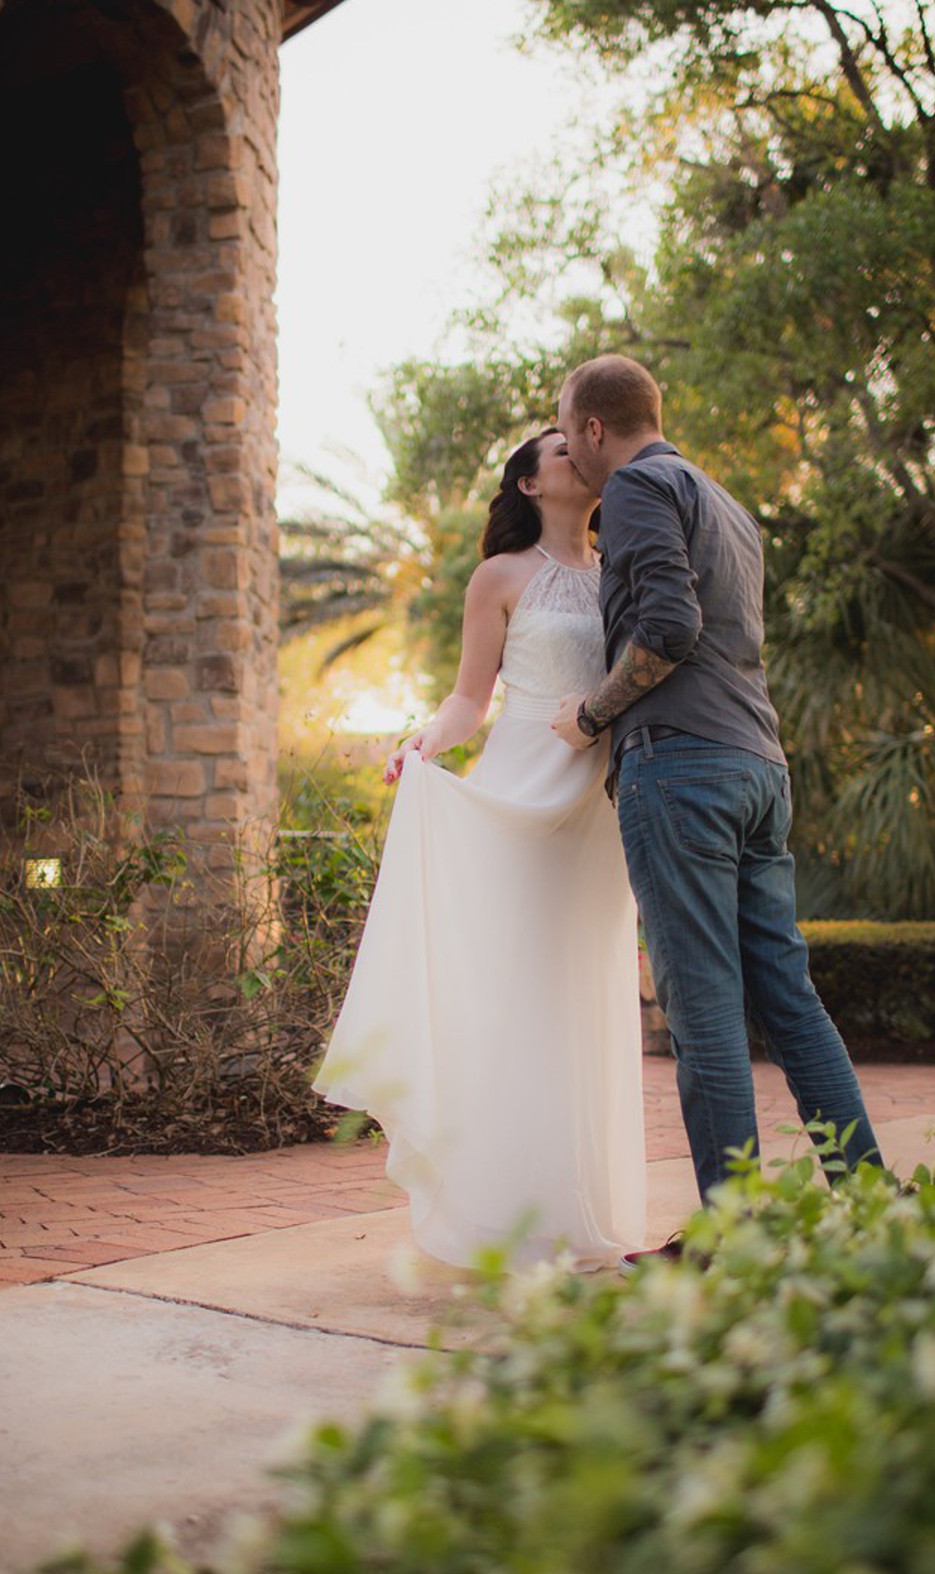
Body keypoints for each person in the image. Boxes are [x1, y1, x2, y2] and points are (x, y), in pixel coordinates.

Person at [551, 355, 881, 1224]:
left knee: (702, 1018)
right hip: (759, 768)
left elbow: (669, 626)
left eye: (568, 434)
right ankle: (873, 1205)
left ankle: (737, 1242)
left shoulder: (632, 488)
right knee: (789, 998)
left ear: (594, 429)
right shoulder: (726, 503)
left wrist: (591, 714)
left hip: (682, 769)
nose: (571, 458)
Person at [314, 427, 647, 1270]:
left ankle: (581, 1214)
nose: (578, 454)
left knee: (582, 997)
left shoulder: (623, 569)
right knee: (513, 1002)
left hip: (594, 812)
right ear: (529, 484)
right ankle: (501, 1214)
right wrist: (424, 744)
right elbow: (470, 699)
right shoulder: (499, 577)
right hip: (517, 799)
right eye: (561, 449)